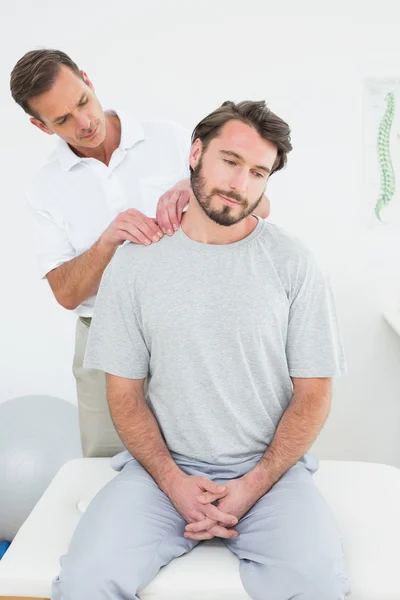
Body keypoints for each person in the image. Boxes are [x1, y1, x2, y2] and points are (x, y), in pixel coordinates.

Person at [51, 100, 350, 599]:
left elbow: (314, 393)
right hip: (159, 474)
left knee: (318, 584)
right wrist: (173, 481)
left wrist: (252, 485)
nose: (240, 184)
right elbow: (124, 394)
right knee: (83, 583)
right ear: (195, 153)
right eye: (230, 161)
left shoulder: (293, 263)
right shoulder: (135, 264)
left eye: (258, 172)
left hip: (269, 475)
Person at [9, 48, 272, 458]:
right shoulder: (44, 189)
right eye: (62, 120)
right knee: (106, 463)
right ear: (40, 126)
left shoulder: (168, 138)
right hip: (103, 333)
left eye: (82, 102)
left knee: (205, 456)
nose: (84, 122)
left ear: (88, 81)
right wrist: (107, 242)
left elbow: (261, 208)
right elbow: (65, 294)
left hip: (189, 324)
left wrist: (198, 189)